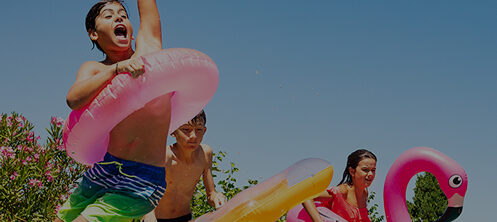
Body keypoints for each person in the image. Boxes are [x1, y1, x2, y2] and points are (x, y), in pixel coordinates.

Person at [56, 0, 172, 221]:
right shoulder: (94, 69)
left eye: (123, 15)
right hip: (106, 169)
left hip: (143, 178)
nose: (118, 18)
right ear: (93, 34)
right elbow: (73, 99)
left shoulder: (149, 52)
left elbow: (147, 8)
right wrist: (115, 70)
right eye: (108, 16)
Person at [142, 110, 226, 222]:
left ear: (204, 131)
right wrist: (148, 214)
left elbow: (211, 194)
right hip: (156, 219)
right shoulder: (165, 157)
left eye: (199, 130)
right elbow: (145, 193)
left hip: (185, 218)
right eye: (186, 130)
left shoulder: (205, 154)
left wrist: (217, 197)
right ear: (173, 131)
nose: (193, 136)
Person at [302, 149, 377, 222]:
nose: (371, 174)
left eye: (373, 170)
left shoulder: (364, 193)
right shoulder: (341, 192)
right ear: (352, 171)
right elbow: (305, 196)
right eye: (365, 170)